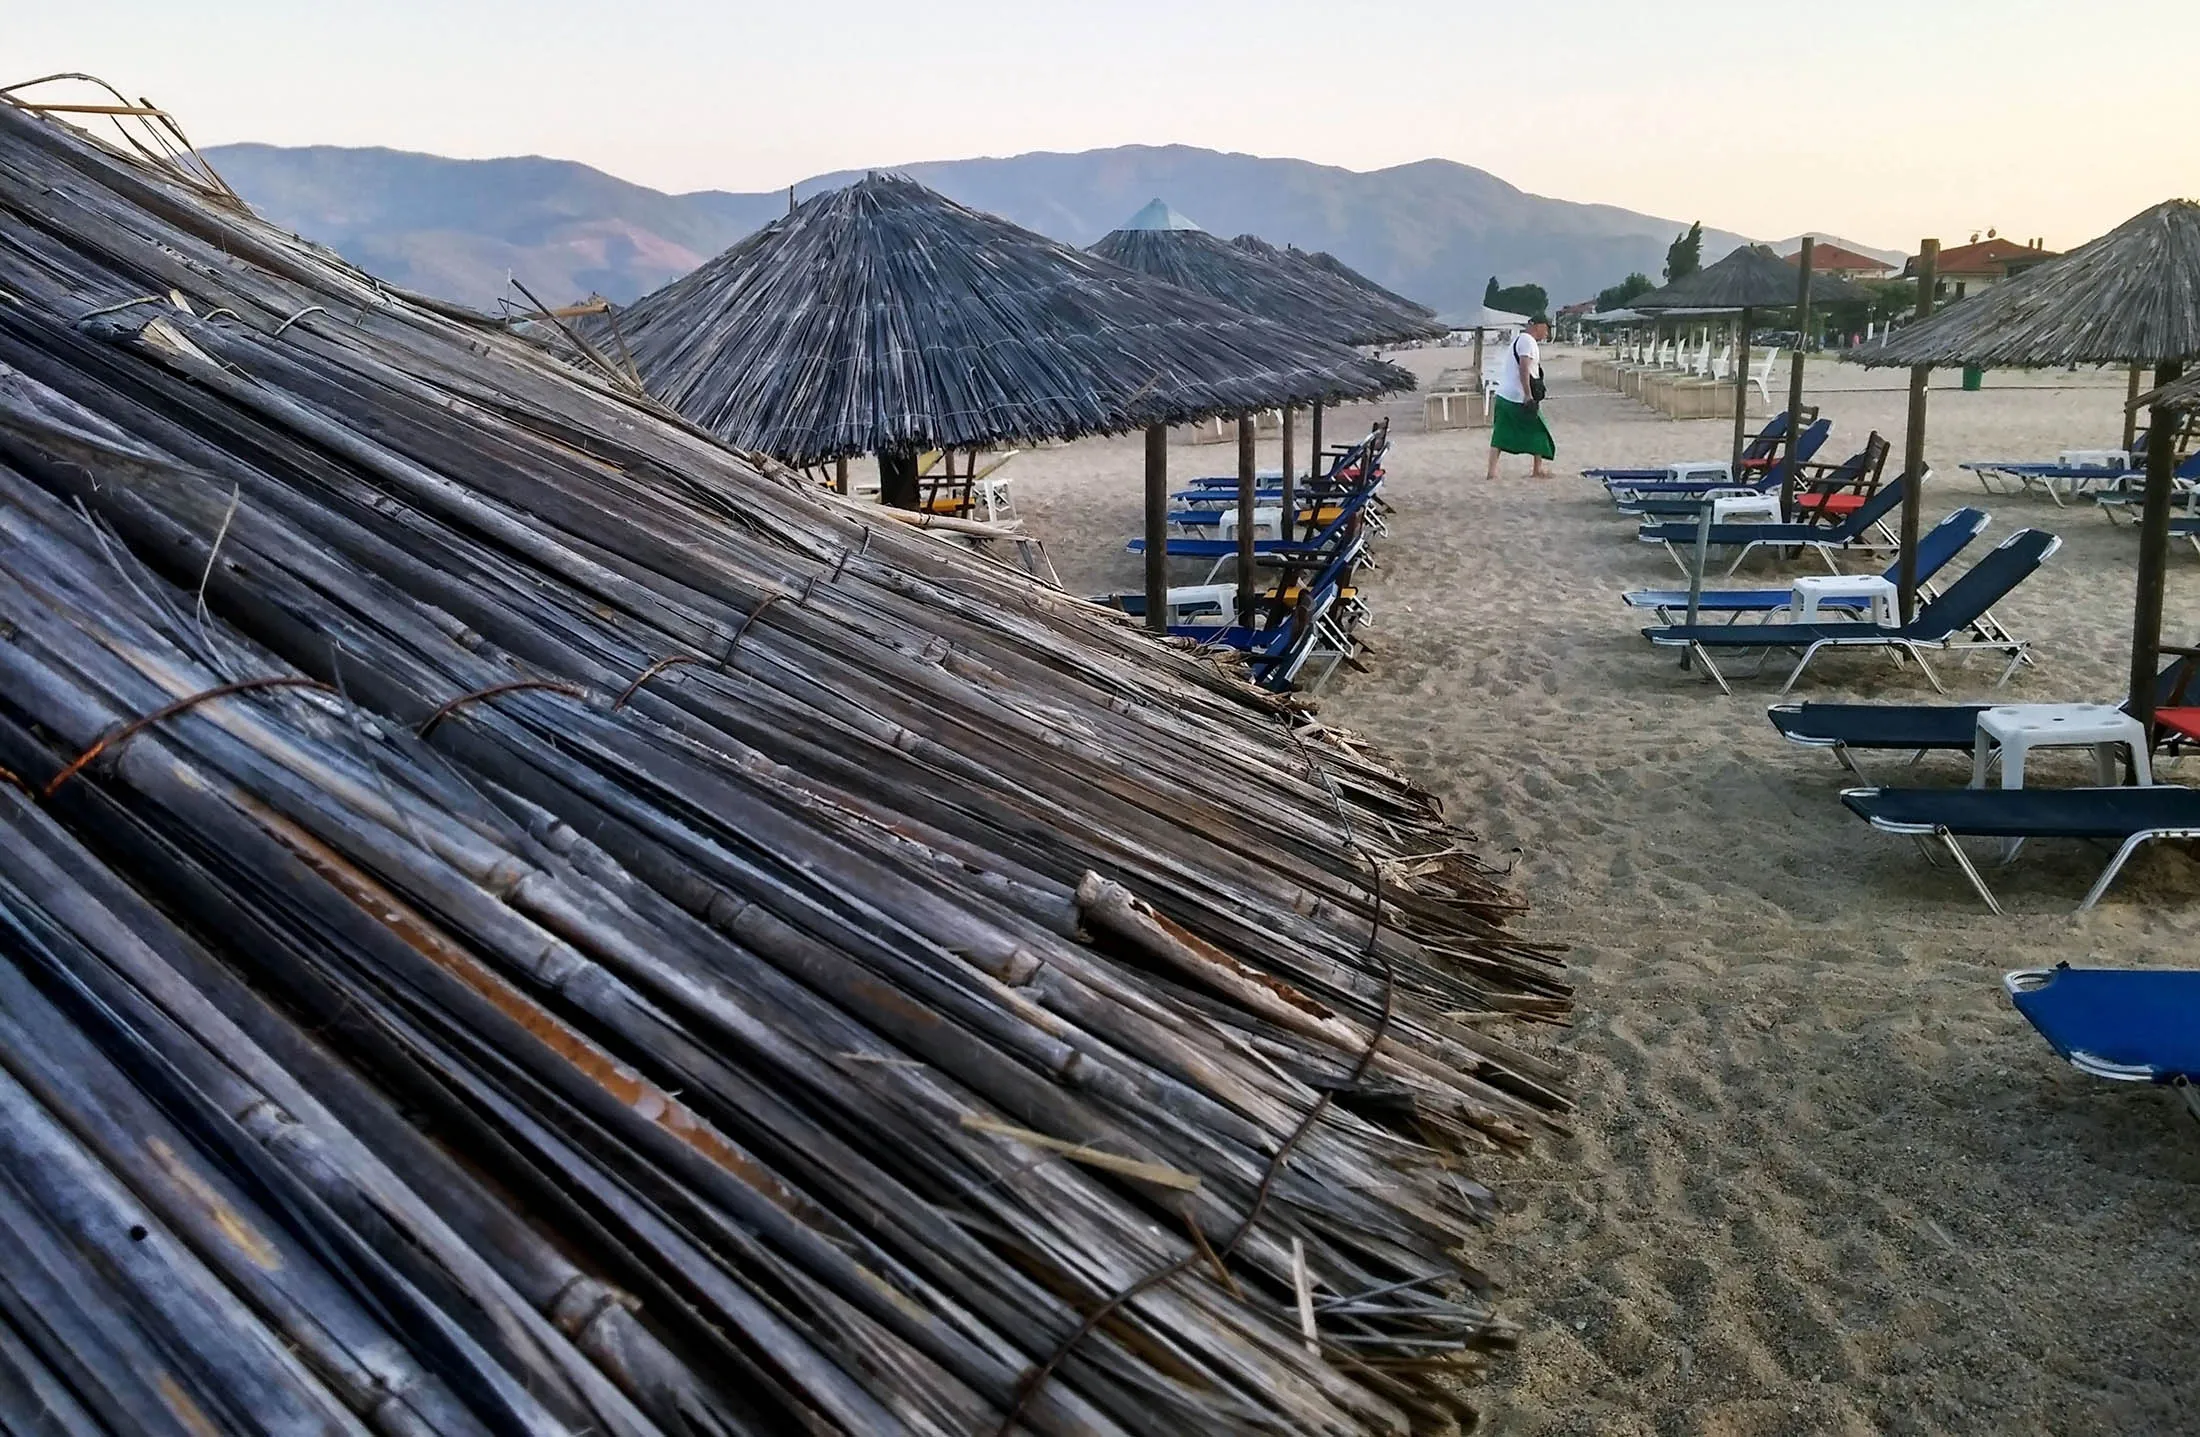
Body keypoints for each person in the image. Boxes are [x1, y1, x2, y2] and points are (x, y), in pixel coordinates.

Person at [1486, 318, 1555, 479]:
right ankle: (1537, 469)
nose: (1547, 333)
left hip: (1504, 394)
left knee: (1500, 434)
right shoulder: (1527, 342)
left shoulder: (1521, 340)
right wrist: (1528, 394)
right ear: (1538, 326)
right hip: (1517, 396)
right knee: (1540, 430)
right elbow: (1524, 368)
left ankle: (1492, 472)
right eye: (1546, 329)